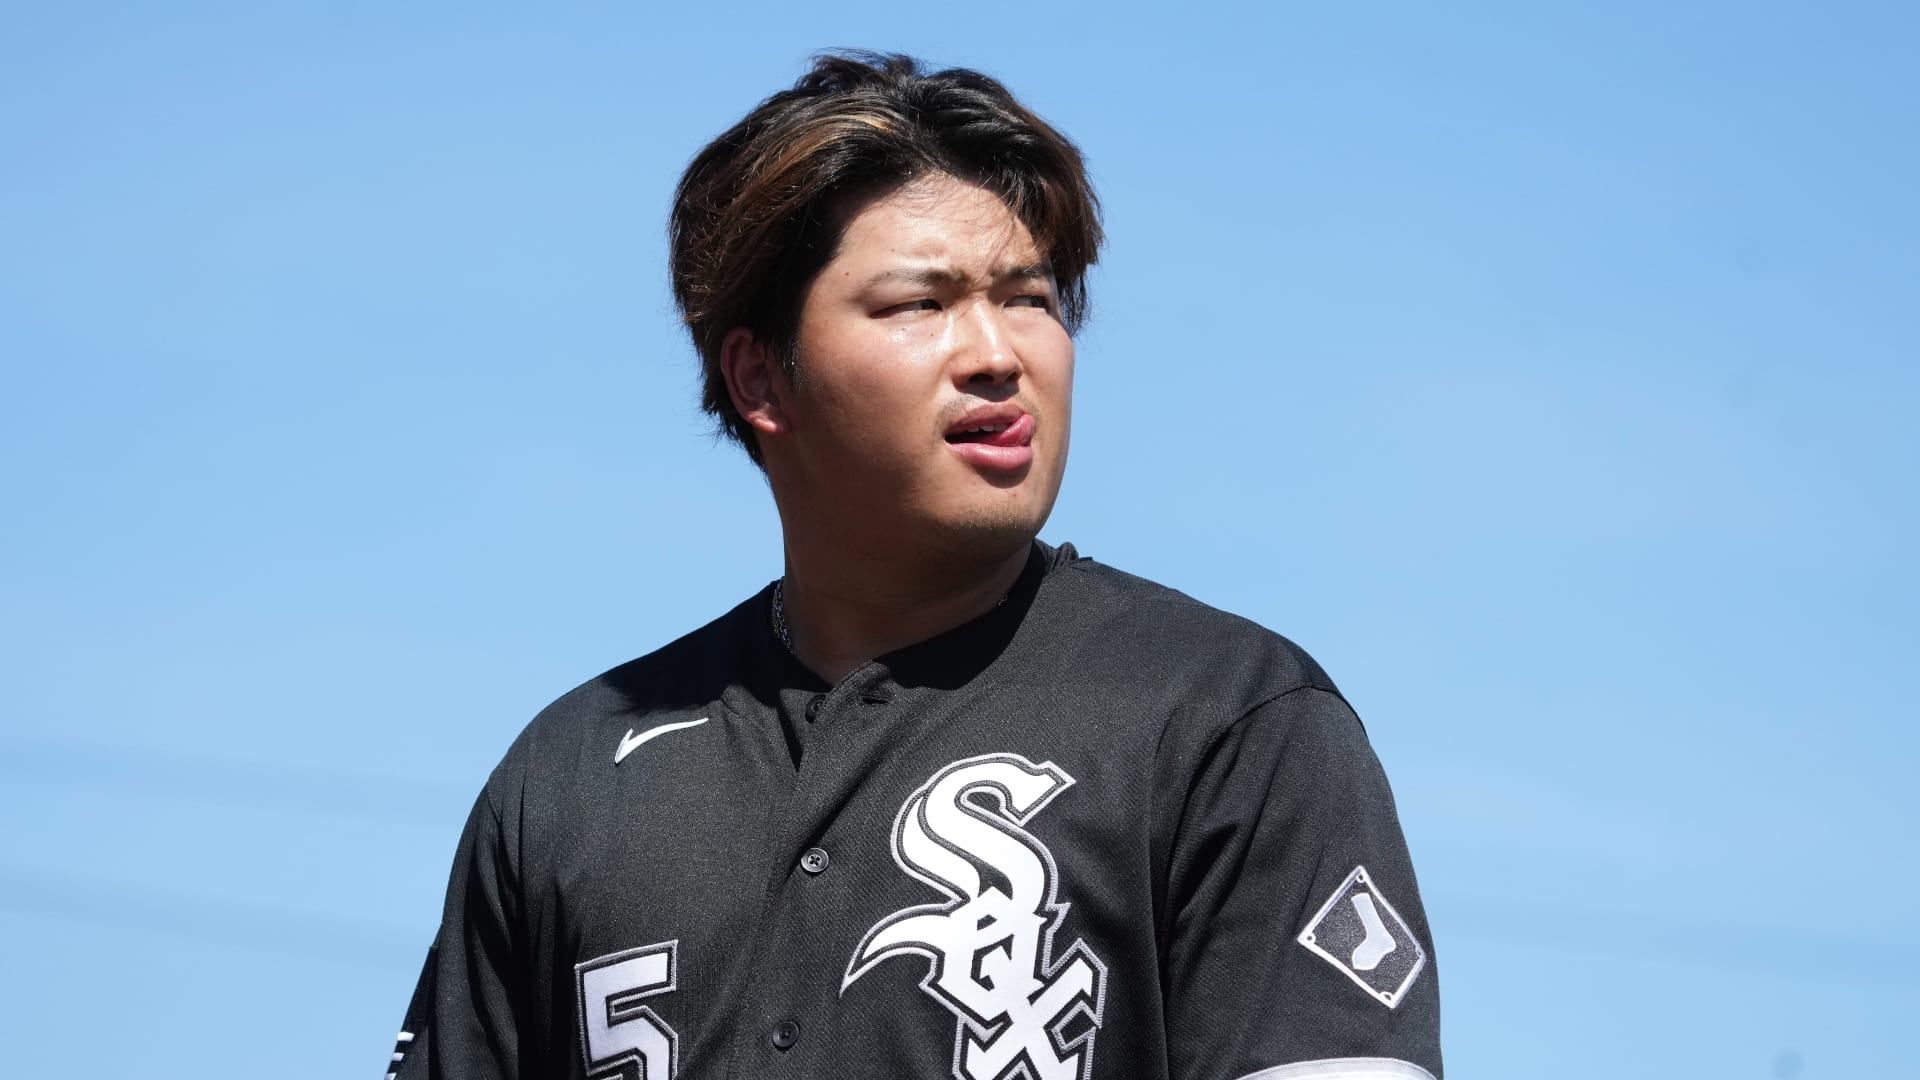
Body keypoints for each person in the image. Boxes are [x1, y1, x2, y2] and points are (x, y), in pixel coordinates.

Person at [386, 52, 1442, 1080]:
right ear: (761, 376)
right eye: (920, 305)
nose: (997, 353)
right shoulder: (569, 778)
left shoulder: (1225, 718)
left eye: (1030, 298)